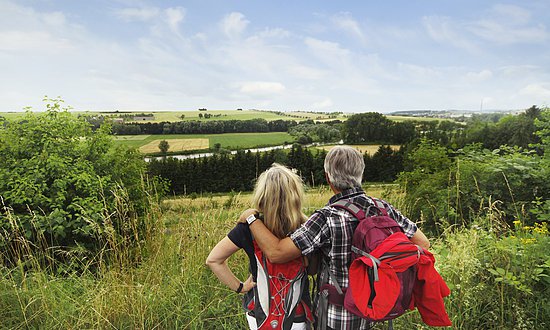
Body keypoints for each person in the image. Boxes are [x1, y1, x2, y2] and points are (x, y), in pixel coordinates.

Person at [240, 145, 430, 330]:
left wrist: (251, 218)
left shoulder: (326, 217)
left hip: (336, 315)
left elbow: (277, 253)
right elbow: (422, 243)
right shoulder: (382, 208)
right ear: (361, 173)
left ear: (328, 178)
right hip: (373, 308)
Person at [206, 163, 312, 330]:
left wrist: (240, 287)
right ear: (295, 194)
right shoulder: (306, 227)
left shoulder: (249, 225)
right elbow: (313, 268)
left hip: (258, 312)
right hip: (296, 313)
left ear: (262, 195)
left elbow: (214, 260)